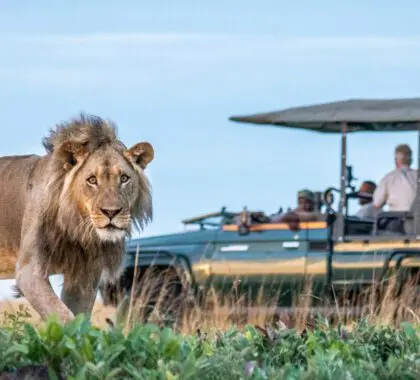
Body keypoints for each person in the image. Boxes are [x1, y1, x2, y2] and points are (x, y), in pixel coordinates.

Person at [373, 144, 417, 212]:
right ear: (411, 160)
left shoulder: (389, 177)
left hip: (398, 218)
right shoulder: (417, 175)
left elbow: (377, 203)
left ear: (396, 160)